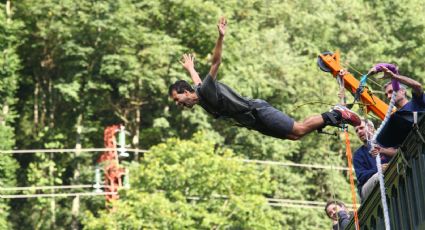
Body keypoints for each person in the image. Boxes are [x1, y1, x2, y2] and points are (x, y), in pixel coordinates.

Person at [168, 17, 361, 141]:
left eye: (178, 100)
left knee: (299, 129)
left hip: (258, 111)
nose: (179, 104)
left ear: (186, 92)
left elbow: (216, 63)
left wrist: (220, 37)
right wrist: (191, 68)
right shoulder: (200, 96)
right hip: (253, 121)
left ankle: (337, 114)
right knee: (295, 136)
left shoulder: (204, 91)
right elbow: (198, 82)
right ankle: (333, 115)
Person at [353, 119, 397, 201]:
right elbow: (361, 177)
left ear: (371, 128)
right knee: (380, 175)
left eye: (361, 128)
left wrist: (383, 150)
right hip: (366, 187)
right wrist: (379, 169)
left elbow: (398, 152)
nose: (359, 131)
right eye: (356, 130)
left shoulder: (385, 141)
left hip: (389, 174)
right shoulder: (358, 155)